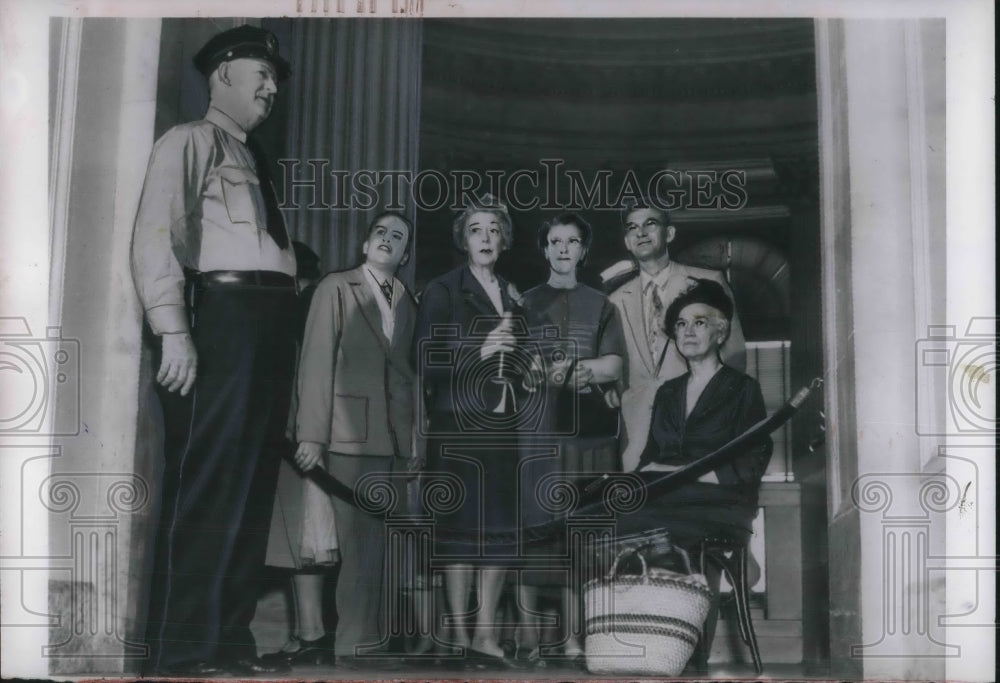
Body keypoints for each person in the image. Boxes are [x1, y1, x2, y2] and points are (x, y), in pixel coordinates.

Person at [131, 25, 296, 676]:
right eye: (263, 72)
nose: (272, 86)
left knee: (253, 485)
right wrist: (173, 328)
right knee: (210, 485)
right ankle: (182, 651)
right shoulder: (189, 141)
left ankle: (229, 641)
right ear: (223, 72)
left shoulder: (256, 158)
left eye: (277, 79)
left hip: (269, 321)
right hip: (222, 319)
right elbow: (157, 233)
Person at [614, 278, 772, 671]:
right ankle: (646, 647)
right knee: (615, 517)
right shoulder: (667, 392)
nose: (688, 331)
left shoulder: (742, 389)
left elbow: (751, 461)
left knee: (663, 530)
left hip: (721, 504)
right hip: (670, 500)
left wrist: (685, 475)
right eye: (681, 325)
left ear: (721, 332)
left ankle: (689, 659)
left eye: (700, 323)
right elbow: (650, 458)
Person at [293, 212, 418, 670]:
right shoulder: (335, 287)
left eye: (398, 237)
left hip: (390, 441)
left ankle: (371, 642)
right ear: (366, 243)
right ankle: (353, 646)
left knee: (378, 548)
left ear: (404, 256)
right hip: (345, 434)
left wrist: (411, 446)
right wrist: (311, 434)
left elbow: (408, 378)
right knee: (352, 546)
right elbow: (316, 360)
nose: (387, 240)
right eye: (380, 232)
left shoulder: (408, 299)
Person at [413, 195, 526, 668]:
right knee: (458, 529)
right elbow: (423, 356)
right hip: (457, 423)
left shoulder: (514, 293)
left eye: (494, 230)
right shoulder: (442, 289)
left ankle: (485, 635)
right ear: (463, 239)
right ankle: (457, 633)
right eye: (476, 230)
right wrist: (480, 348)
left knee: (499, 529)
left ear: (503, 240)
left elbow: (520, 356)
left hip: (503, 423)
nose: (485, 238)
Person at [519, 213, 625, 666]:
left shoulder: (603, 305)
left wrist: (587, 370)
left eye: (573, 241)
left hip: (588, 437)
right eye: (555, 241)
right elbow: (516, 364)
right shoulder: (521, 303)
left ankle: (576, 638)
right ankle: (526, 638)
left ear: (584, 250)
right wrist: (545, 374)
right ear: (544, 250)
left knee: (581, 534)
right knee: (533, 532)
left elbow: (615, 365)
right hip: (537, 435)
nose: (564, 249)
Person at [608, 198, 746, 474]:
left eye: (650, 224)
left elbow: (735, 356)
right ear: (626, 241)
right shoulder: (613, 300)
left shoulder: (707, 281)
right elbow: (617, 369)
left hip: (698, 427)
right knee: (642, 513)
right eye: (632, 227)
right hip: (637, 433)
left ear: (669, 233)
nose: (641, 233)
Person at [262, 241, 341, 667]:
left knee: (307, 536)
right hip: (308, 431)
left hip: (304, 432)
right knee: (306, 539)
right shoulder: (315, 302)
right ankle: (307, 632)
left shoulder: (306, 303)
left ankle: (312, 633)